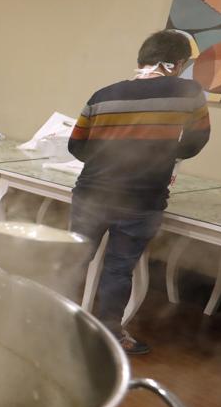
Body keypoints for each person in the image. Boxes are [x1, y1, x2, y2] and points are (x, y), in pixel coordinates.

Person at [68, 30, 210, 355]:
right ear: (178, 64)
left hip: (91, 193)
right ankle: (108, 337)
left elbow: (76, 144)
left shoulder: (103, 95)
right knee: (118, 269)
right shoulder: (188, 92)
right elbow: (196, 141)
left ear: (140, 60)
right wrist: (160, 155)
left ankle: (47, 319)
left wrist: (108, 162)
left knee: (73, 260)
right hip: (142, 199)